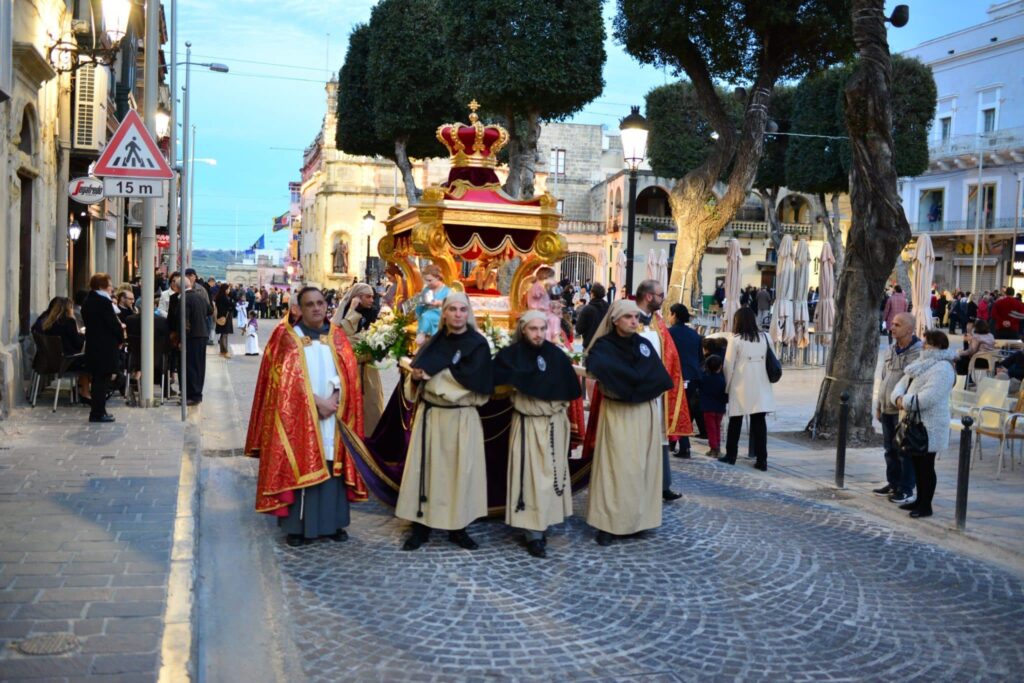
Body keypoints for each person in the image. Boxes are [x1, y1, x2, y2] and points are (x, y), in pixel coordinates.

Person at [245, 286, 368, 547]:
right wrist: (315, 401)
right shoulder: (287, 337)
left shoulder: (337, 336)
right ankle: (297, 527)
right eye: (310, 304)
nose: (316, 308)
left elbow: (348, 373)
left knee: (332, 463)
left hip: (334, 415)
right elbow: (282, 384)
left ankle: (333, 524)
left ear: (327, 306)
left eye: (321, 303)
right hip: (300, 418)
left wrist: (334, 398)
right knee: (299, 463)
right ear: (298, 309)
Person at [397, 293, 494, 551]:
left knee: (459, 473)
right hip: (432, 416)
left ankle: (458, 527)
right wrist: (416, 378)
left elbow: (479, 385)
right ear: (445, 314)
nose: (458, 314)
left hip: (461, 416)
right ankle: (421, 526)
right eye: (452, 309)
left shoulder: (477, 345)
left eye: (463, 309)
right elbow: (417, 380)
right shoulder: (434, 342)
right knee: (425, 471)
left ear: (468, 313)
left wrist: (438, 378)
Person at [584, 300, 674, 546]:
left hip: (643, 414)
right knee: (615, 471)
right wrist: (635, 381)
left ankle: (637, 520)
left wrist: (632, 382)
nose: (634, 322)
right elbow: (606, 372)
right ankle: (608, 523)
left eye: (636, 317)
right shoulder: (603, 347)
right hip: (618, 414)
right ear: (615, 320)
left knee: (640, 469)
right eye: (628, 317)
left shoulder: (643, 345)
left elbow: (657, 377)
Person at [494, 310, 582, 558]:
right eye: (533, 329)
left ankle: (546, 518)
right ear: (522, 330)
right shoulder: (511, 356)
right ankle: (533, 531)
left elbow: (568, 389)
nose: (539, 334)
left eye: (543, 329)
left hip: (555, 423)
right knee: (531, 477)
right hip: (529, 424)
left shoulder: (555, 355)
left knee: (553, 474)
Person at [890, 329, 956, 519]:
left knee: (926, 466)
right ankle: (919, 500)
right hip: (915, 422)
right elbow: (902, 383)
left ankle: (926, 505)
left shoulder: (943, 367)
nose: (924, 346)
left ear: (938, 346)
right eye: (925, 342)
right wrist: (898, 398)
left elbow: (930, 396)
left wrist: (905, 401)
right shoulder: (921, 363)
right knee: (917, 463)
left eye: (928, 343)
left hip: (930, 425)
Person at [634, 279, 692, 498]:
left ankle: (662, 485)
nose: (663, 299)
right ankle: (639, 485)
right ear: (648, 296)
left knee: (660, 438)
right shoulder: (628, 318)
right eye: (660, 295)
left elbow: (670, 355)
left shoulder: (658, 322)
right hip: (636, 390)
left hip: (658, 393)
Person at [718, 307, 775, 471]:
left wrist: (727, 387)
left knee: (735, 421)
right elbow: (772, 359)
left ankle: (731, 456)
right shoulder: (765, 337)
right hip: (761, 383)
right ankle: (762, 459)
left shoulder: (735, 340)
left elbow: (728, 366)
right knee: (759, 423)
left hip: (740, 384)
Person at [874, 312, 922, 504]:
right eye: (892, 324)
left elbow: (914, 383)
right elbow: (884, 377)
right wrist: (878, 405)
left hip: (902, 409)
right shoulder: (891, 349)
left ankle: (906, 488)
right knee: (889, 449)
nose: (892, 327)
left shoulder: (918, 354)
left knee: (904, 450)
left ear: (909, 330)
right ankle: (893, 483)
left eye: (897, 325)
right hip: (886, 406)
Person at [332, 283, 385, 435]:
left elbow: (371, 338)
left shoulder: (374, 314)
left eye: (372, 297)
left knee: (371, 405)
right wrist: (352, 311)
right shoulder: (347, 312)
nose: (371, 300)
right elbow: (340, 336)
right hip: (349, 370)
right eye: (368, 297)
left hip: (368, 370)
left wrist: (360, 339)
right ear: (357, 297)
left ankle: (371, 440)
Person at [82, 273, 125, 423]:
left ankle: (99, 410)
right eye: (109, 285)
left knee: (98, 379)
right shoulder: (103, 302)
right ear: (101, 286)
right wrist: (121, 338)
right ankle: (97, 412)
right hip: (105, 347)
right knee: (102, 380)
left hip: (94, 345)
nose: (112, 288)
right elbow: (113, 324)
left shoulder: (89, 300)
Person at [667, 303, 706, 457]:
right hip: (693, 376)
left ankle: (682, 446)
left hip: (677, 376)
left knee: (674, 410)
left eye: (670, 314)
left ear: (674, 315)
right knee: (685, 410)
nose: (669, 318)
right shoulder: (695, 334)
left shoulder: (669, 334)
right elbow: (700, 358)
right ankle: (675, 443)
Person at [169, 272, 213, 405]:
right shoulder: (199, 296)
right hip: (202, 335)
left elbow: (184, 321)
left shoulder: (184, 299)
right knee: (199, 366)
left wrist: (182, 339)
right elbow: (210, 310)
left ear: (177, 288)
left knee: (190, 366)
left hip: (191, 337)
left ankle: (192, 396)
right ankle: (197, 394)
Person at [414, 264, 451, 346]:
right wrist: (419, 300)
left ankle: (422, 334)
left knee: (427, 315)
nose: (427, 283)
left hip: (440, 316)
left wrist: (439, 303)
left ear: (438, 278)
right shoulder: (426, 290)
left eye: (430, 280)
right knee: (425, 315)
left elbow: (452, 305)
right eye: (426, 281)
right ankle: (423, 339)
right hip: (425, 315)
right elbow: (420, 307)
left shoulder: (447, 291)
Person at [700, 355, 728, 458]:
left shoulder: (704, 378)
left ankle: (713, 448)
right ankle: (718, 447)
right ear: (720, 367)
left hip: (708, 408)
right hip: (719, 408)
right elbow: (726, 395)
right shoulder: (722, 380)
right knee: (717, 427)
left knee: (711, 429)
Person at [575, 283, 609, 349]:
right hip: (605, 344)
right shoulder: (608, 307)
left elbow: (579, 329)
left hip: (590, 345)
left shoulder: (587, 309)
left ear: (592, 294)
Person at [214, 285, 234, 358]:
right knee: (224, 334)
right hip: (224, 317)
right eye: (228, 289)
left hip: (220, 317)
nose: (229, 291)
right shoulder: (223, 297)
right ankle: (225, 351)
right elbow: (231, 304)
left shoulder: (219, 296)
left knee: (223, 334)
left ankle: (222, 351)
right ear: (225, 289)